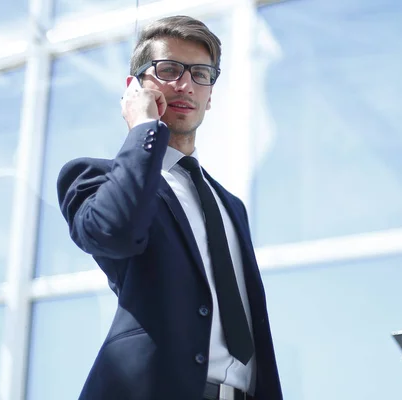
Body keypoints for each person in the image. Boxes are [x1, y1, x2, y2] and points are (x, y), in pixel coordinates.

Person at [56, 15, 283, 400]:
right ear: (134, 87)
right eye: (168, 69)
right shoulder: (93, 175)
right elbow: (115, 232)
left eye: (200, 74)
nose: (184, 85)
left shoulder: (230, 206)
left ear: (210, 95)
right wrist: (144, 129)